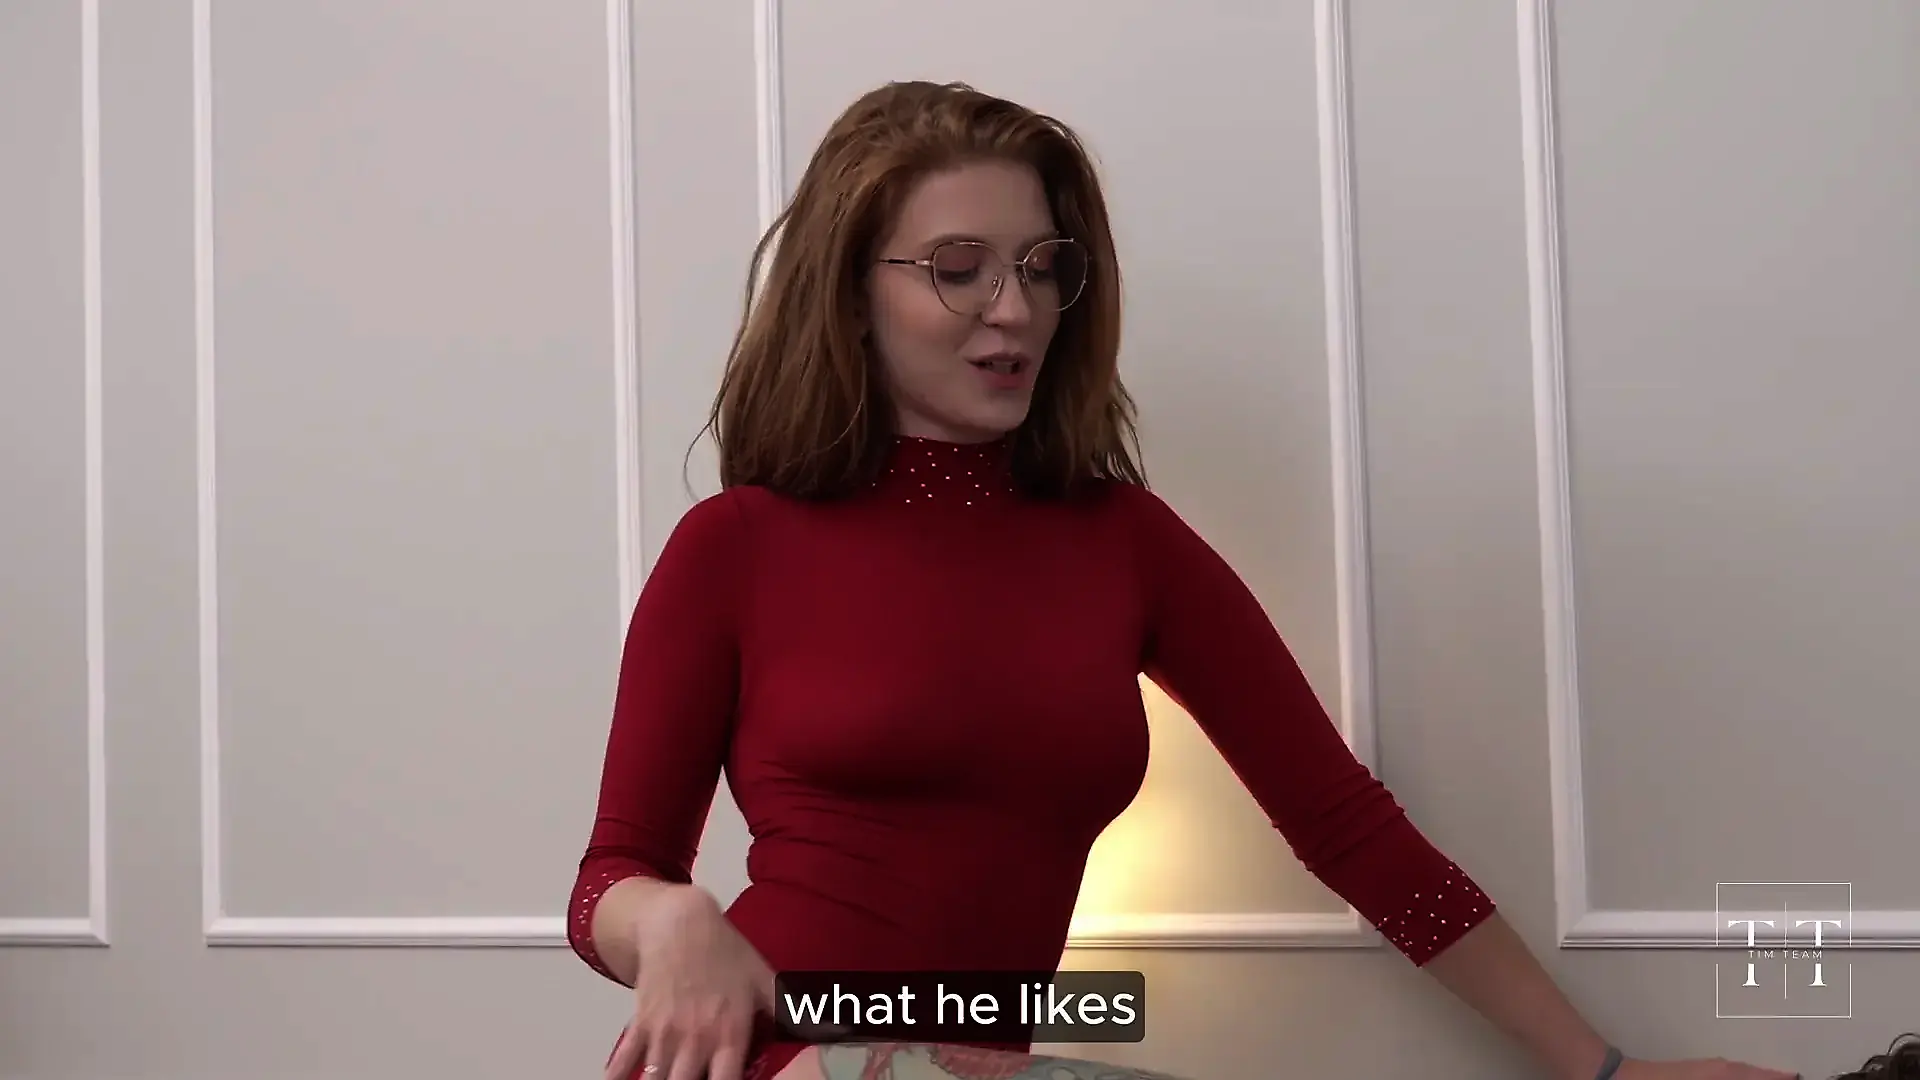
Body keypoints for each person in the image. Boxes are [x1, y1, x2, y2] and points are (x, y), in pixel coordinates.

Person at [566, 79, 1800, 1080]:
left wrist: (1603, 1071)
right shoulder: (738, 546)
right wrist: (670, 920)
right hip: (780, 1054)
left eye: (1042, 266)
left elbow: (1350, 828)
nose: (1015, 308)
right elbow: (606, 882)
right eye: (959, 266)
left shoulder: (1123, 541)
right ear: (853, 293)